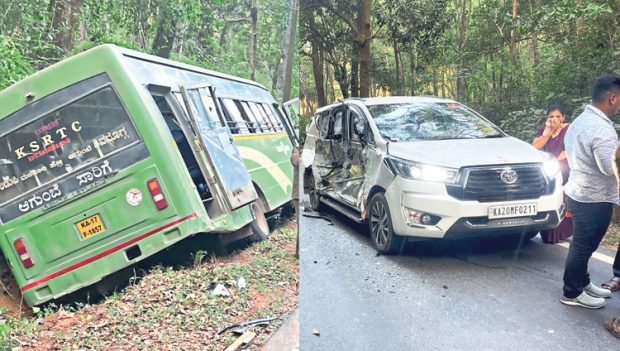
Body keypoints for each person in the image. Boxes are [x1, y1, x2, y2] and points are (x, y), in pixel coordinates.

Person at [560, 73, 620, 309]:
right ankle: (572, 292)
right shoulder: (601, 129)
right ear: (613, 98)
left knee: (582, 245)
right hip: (594, 198)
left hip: (579, 192)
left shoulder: (580, 121)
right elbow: (609, 168)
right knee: (583, 246)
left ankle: (583, 283)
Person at [532, 104, 572, 243]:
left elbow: (567, 151)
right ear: (547, 119)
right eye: (551, 117)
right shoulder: (544, 130)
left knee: (562, 197)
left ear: (563, 117)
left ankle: (562, 232)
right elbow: (535, 147)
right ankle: (548, 231)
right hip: (549, 168)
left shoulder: (568, 130)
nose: (555, 119)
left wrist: (553, 161)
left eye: (558, 116)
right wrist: (548, 133)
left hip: (565, 166)